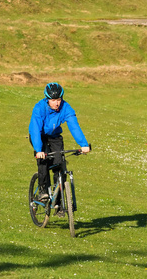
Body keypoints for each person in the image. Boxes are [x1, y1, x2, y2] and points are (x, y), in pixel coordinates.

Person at [29, 83, 90, 214]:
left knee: (60, 166)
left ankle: (59, 203)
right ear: (47, 99)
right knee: (44, 161)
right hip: (40, 137)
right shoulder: (39, 108)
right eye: (53, 100)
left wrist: (83, 145)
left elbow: (74, 126)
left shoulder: (66, 108)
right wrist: (39, 150)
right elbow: (35, 129)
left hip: (55, 137)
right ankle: (43, 191)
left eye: (58, 100)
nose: (56, 103)